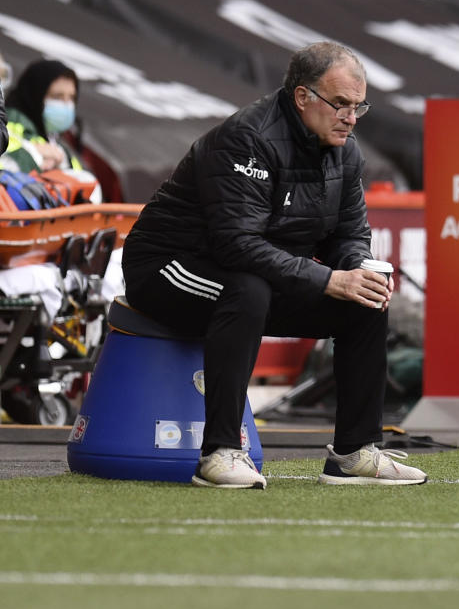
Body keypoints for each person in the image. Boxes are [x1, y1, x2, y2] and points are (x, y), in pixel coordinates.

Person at [121, 41, 427, 489]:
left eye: (358, 106)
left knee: (367, 298)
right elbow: (237, 245)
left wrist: (356, 270)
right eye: (340, 104)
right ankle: (220, 453)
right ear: (303, 97)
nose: (350, 117)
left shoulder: (346, 150)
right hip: (167, 268)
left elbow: (349, 235)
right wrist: (327, 278)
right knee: (247, 290)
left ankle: (354, 453)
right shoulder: (247, 137)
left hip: (254, 271)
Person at [4, 59, 84, 174]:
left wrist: (63, 163)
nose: (66, 105)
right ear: (34, 96)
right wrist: (32, 154)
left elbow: (84, 182)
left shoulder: (56, 142)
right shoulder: (7, 127)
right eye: (57, 97)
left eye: (71, 98)